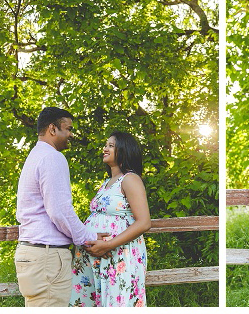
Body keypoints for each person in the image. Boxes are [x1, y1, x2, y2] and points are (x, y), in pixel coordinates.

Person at [15, 107, 97, 307]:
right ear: (52, 129)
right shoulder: (53, 158)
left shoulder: (35, 156)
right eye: (67, 129)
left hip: (31, 253)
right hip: (47, 258)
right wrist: (87, 238)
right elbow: (59, 210)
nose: (70, 135)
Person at [70, 131, 150, 307]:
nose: (105, 148)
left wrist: (108, 245)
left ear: (124, 150)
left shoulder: (130, 179)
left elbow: (144, 222)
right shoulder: (107, 182)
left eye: (110, 146)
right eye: (105, 145)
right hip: (96, 256)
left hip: (118, 253)